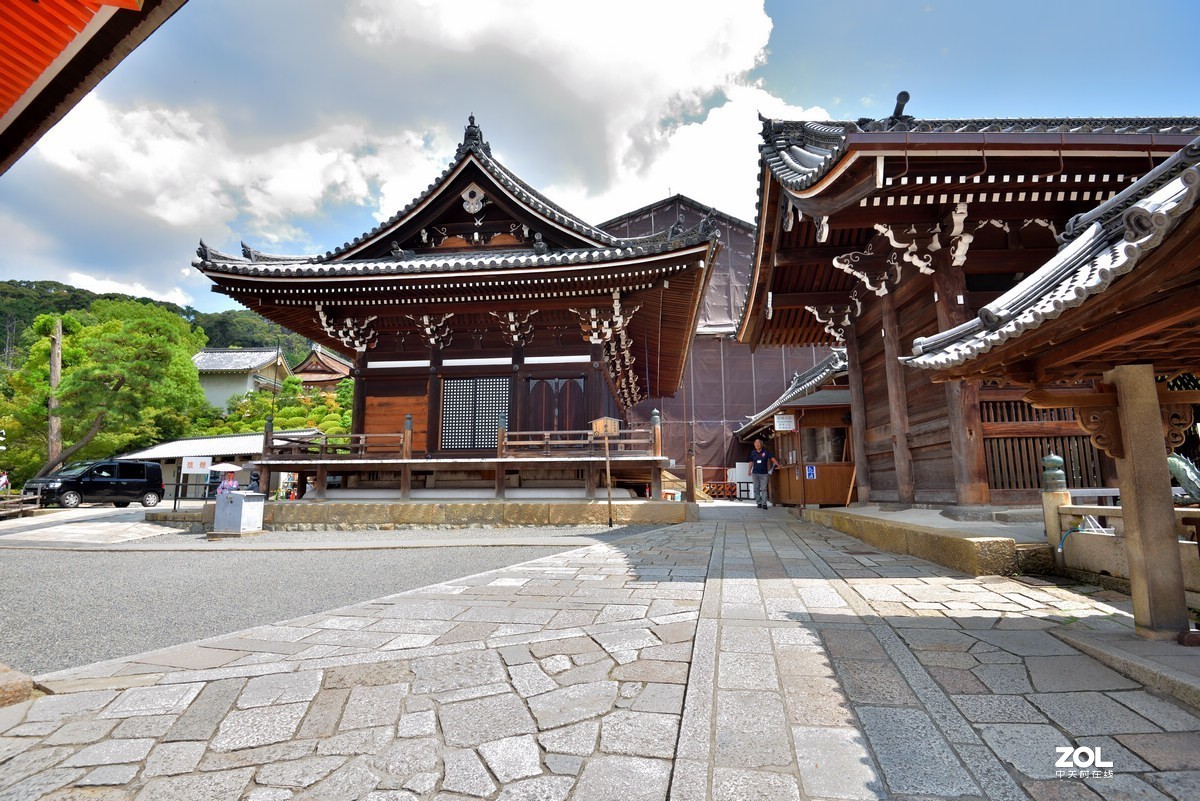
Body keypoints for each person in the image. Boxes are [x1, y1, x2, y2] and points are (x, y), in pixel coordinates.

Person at [750, 438, 781, 509]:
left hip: (764, 473)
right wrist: (749, 470)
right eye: (756, 443)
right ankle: (758, 502)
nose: (757, 445)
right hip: (755, 473)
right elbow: (751, 461)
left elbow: (772, 458)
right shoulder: (753, 453)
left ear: (761, 444)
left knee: (764, 488)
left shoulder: (766, 452)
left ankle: (764, 503)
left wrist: (778, 465)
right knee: (756, 488)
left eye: (758, 443)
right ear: (754, 445)